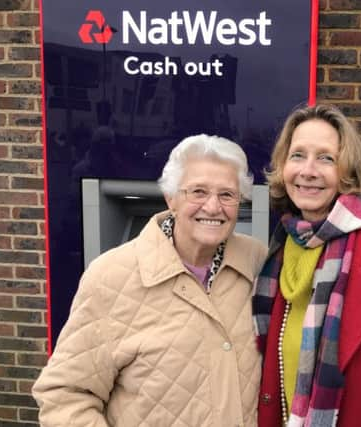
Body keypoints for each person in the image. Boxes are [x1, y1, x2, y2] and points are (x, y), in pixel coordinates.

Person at [33, 134, 267, 426]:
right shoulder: (111, 276)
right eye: (197, 191)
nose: (212, 206)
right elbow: (63, 395)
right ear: (170, 197)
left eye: (227, 194)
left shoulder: (258, 262)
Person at [253, 103, 361, 427]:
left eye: (326, 158)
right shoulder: (281, 248)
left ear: (348, 172)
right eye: (298, 155)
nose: (308, 170)